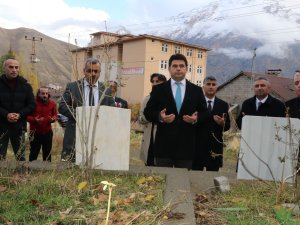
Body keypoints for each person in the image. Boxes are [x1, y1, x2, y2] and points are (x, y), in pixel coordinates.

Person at [144, 53, 207, 169]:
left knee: (183, 184)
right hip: (163, 147)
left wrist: (196, 119)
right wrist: (160, 117)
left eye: (182, 66)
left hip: (186, 148)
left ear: (186, 69)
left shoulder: (196, 90)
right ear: (169, 69)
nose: (178, 68)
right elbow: (147, 112)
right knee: (161, 181)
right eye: (175, 66)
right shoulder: (159, 89)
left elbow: (205, 113)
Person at [58, 58, 115, 162]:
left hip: (98, 135)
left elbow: (112, 110)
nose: (92, 74)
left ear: (99, 72)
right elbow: (62, 106)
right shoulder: (73, 87)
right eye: (89, 71)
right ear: (84, 71)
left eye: (96, 71)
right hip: (75, 133)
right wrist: (80, 115)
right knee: (70, 166)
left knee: (97, 164)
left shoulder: (106, 89)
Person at [0, 58, 36, 161]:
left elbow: (32, 105)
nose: (14, 70)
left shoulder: (26, 86)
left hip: (19, 126)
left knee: (20, 156)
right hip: (1, 126)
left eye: (16, 67)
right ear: (4, 68)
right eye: (11, 67)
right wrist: (6, 114)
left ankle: (21, 176)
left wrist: (19, 114)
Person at [193, 76, 230, 171]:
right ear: (203, 87)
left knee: (212, 176)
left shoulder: (223, 105)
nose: (211, 87)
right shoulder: (195, 103)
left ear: (217, 87)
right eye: (208, 84)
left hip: (215, 147)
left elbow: (227, 126)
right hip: (198, 145)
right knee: (195, 176)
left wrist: (222, 123)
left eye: (213, 84)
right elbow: (191, 122)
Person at [139, 73, 167, 166]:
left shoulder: (168, 98)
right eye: (153, 81)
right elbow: (141, 117)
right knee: (150, 163)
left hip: (163, 136)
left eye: (157, 81)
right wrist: (151, 116)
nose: (154, 84)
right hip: (149, 135)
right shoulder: (147, 99)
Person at [27, 87, 58, 162]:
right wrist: (35, 120)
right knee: (34, 152)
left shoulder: (52, 103)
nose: (45, 95)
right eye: (43, 93)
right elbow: (26, 116)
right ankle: (31, 169)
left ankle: (47, 170)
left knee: (47, 152)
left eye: (46, 93)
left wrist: (53, 119)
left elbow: (55, 115)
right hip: (34, 132)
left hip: (47, 132)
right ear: (38, 94)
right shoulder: (32, 103)